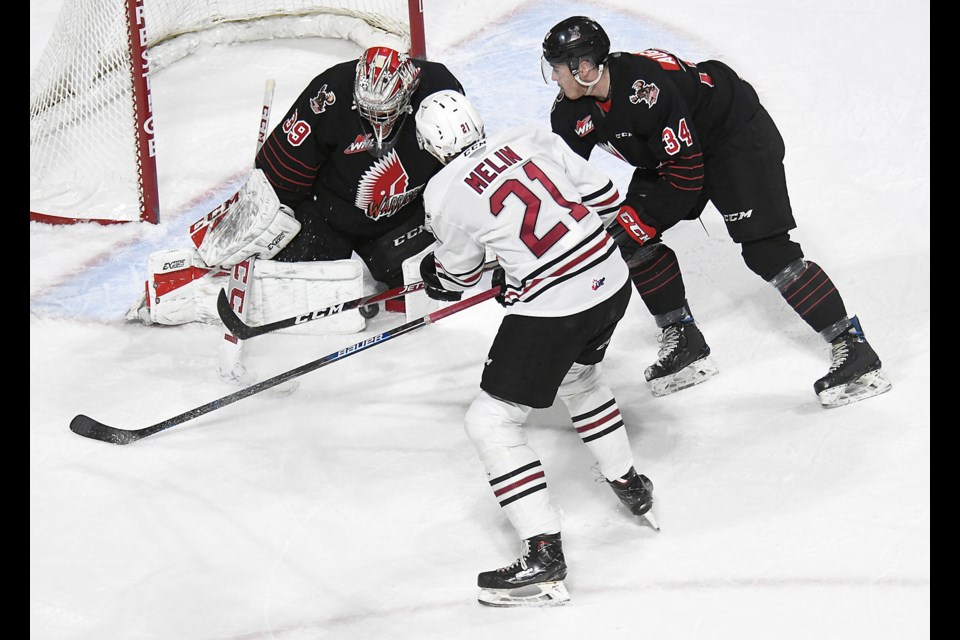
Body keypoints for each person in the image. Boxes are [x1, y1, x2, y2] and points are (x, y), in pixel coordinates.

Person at [540, 16, 892, 408]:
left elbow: (686, 176)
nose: (553, 78)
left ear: (584, 67)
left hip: (733, 136)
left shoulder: (646, 89)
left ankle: (854, 349)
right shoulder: (570, 112)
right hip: (675, 153)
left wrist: (634, 221)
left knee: (767, 252)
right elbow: (560, 183)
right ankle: (684, 341)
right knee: (630, 241)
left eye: (556, 68)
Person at [413, 89, 658, 608]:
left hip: (558, 303)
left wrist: (438, 275)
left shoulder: (442, 192)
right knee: (581, 378)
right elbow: (607, 200)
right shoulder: (529, 137)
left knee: (490, 420)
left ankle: (543, 556)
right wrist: (520, 258)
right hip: (611, 278)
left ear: (430, 145)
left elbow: (459, 275)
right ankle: (630, 483)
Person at [127, 46, 466, 334]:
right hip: (329, 214)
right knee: (284, 286)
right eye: (369, 112)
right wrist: (273, 223)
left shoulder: (439, 89)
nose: (377, 122)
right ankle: (190, 287)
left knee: (423, 290)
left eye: (386, 113)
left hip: (404, 216)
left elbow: (460, 157)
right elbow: (283, 169)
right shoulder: (330, 93)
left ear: (408, 92)